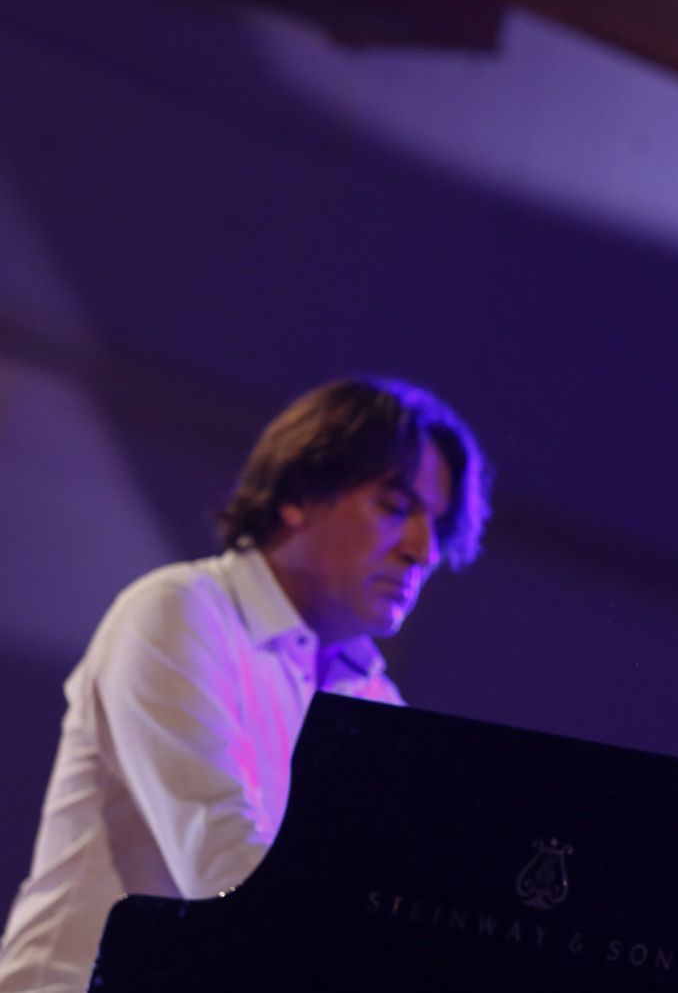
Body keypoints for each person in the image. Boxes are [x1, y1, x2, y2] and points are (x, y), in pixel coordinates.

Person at [0, 377, 491, 993]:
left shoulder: (373, 699)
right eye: (395, 508)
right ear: (300, 494)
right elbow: (224, 868)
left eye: (437, 527)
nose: (422, 551)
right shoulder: (180, 611)